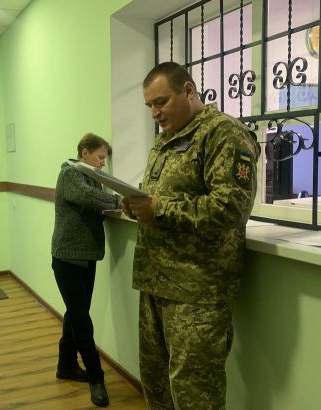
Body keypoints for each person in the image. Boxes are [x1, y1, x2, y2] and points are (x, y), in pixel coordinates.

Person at [121, 62, 260, 409]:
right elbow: (161, 194)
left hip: (197, 292)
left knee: (195, 395)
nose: (155, 113)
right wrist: (137, 204)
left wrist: (158, 210)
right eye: (149, 105)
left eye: (161, 102)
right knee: (156, 385)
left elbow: (231, 207)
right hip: (155, 283)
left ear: (188, 90)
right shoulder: (164, 141)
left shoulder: (224, 133)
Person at [51, 133, 120, 408]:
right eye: (100, 157)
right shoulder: (70, 174)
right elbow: (88, 197)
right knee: (81, 320)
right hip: (67, 259)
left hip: (87, 257)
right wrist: (120, 200)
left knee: (75, 313)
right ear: (84, 153)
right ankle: (96, 377)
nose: (103, 163)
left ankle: (66, 365)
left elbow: (96, 202)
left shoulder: (92, 177)